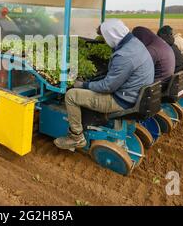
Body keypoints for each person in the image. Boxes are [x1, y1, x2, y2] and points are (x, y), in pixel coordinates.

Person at [54, 19, 154, 150]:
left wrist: (83, 85)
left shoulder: (124, 56)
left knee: (71, 95)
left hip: (121, 100)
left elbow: (107, 87)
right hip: (135, 95)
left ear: (111, 36)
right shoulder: (135, 43)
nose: (105, 41)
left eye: (105, 37)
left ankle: (76, 137)